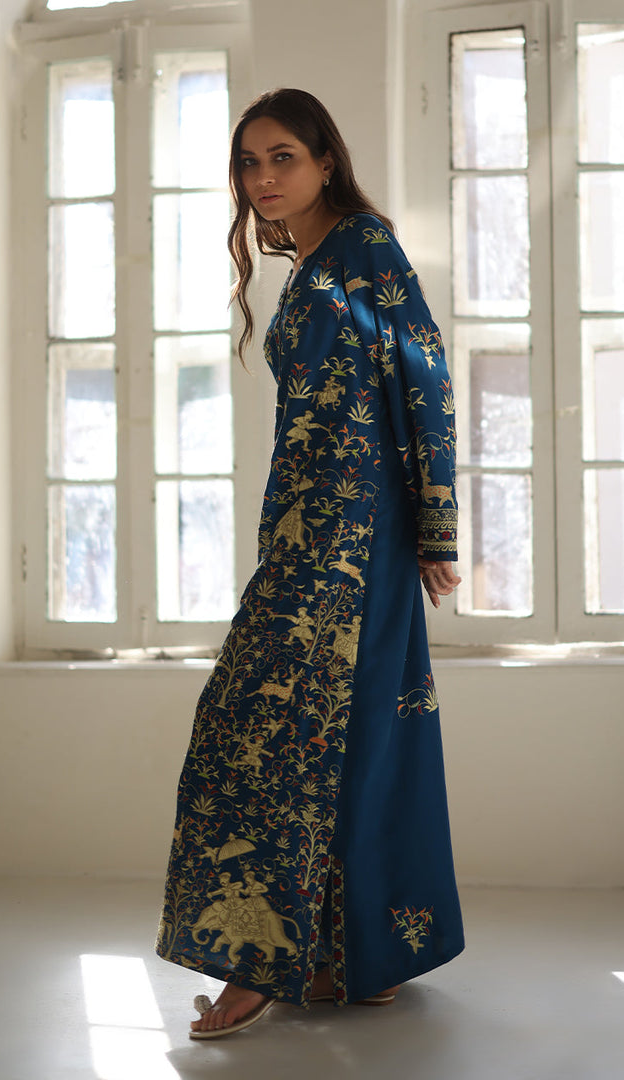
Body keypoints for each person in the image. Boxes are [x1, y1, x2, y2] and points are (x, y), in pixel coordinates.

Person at [156, 87, 464, 1040]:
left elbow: (425, 373)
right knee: (353, 736)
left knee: (263, 727)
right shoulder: (310, 267)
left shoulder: (365, 246)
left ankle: (253, 963)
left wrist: (438, 528)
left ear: (326, 160)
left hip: (356, 537)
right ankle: (360, 958)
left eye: (282, 156)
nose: (263, 178)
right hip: (305, 533)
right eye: (249, 163)